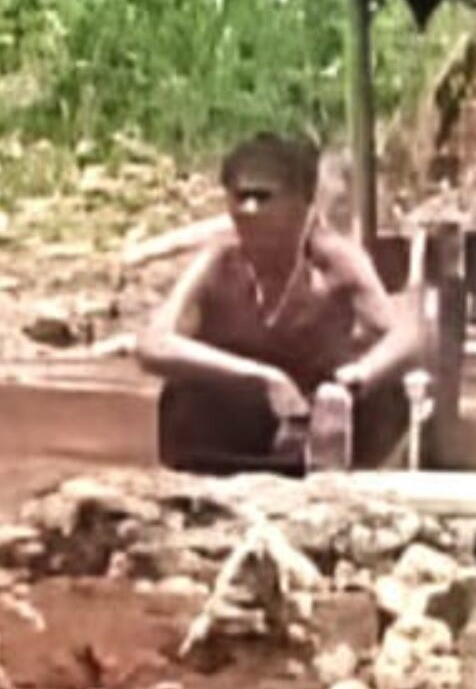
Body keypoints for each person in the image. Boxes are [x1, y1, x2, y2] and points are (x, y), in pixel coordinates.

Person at [136, 132, 426, 475]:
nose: (249, 210)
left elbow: (408, 335)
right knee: (184, 393)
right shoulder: (219, 260)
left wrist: (355, 378)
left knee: (384, 398)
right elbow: (153, 343)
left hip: (318, 423)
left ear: (300, 203)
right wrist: (260, 378)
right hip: (238, 421)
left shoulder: (334, 260)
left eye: (263, 197)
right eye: (240, 196)